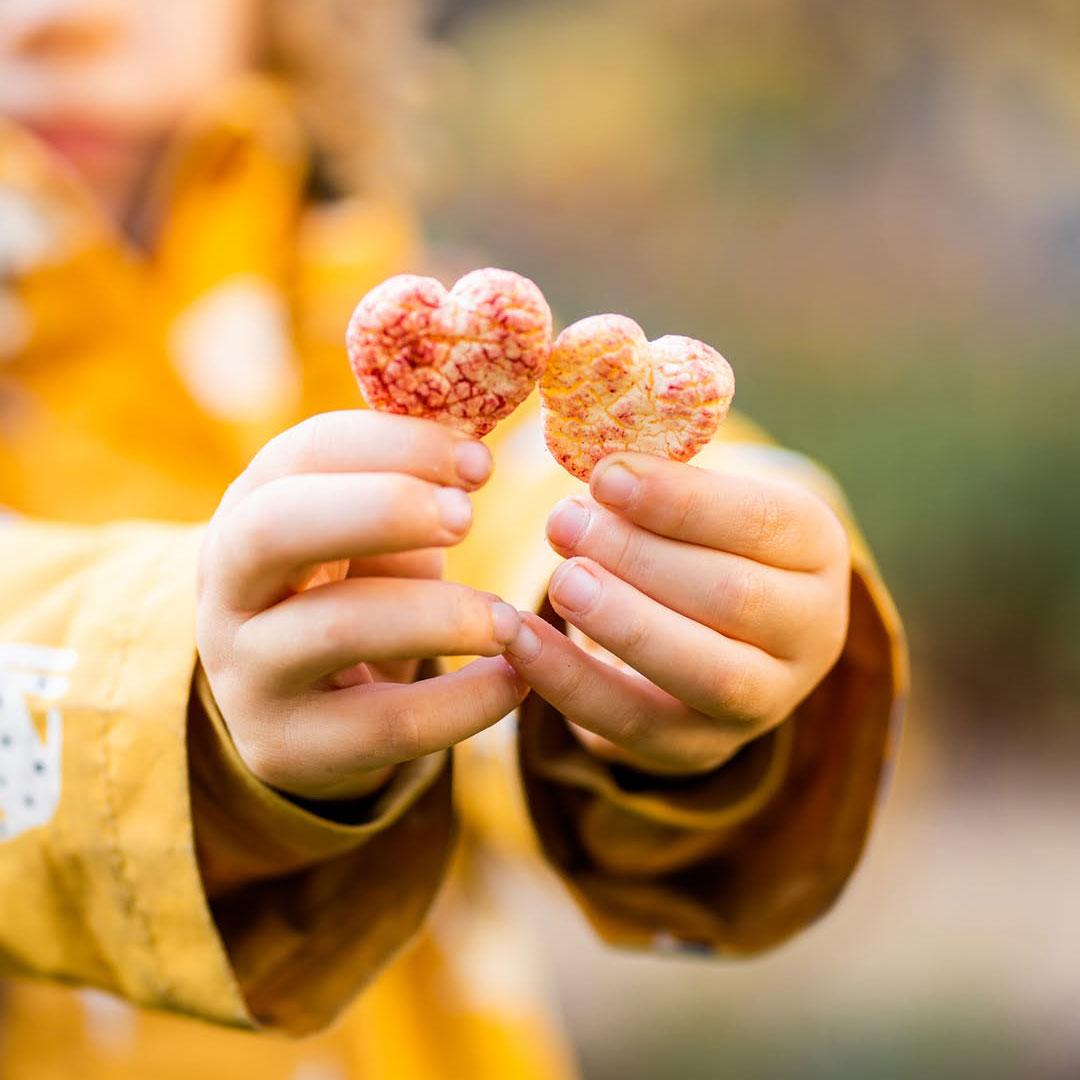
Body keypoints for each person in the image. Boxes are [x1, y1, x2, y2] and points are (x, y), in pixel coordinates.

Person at [0, 1, 907, 1077]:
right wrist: (177, 698)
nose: (56, 21)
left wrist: (676, 610)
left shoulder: (378, 313)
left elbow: (522, 499)